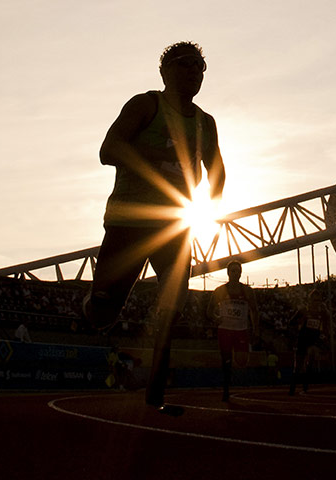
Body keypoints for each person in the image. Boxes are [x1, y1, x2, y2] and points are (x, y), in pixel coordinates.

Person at [84, 41, 226, 416]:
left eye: (200, 66)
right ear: (164, 71)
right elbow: (108, 149)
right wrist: (160, 161)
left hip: (174, 226)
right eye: (185, 64)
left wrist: (209, 211)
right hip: (129, 222)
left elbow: (218, 171)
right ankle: (92, 301)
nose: (194, 72)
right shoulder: (145, 105)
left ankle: (155, 393)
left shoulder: (205, 124)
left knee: (174, 300)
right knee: (103, 313)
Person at [207, 260, 259, 401]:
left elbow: (254, 311)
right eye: (233, 271)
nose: (235, 274)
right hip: (225, 329)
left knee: (242, 361)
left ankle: (230, 376)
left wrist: (256, 329)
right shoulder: (220, 291)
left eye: (238, 271)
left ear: (241, 273)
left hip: (241, 330)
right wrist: (216, 318)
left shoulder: (247, 291)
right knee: (226, 360)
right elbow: (209, 310)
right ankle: (226, 387)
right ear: (228, 273)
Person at [288, 289, 330, 395]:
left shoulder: (322, 313)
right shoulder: (303, 311)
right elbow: (291, 323)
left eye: (318, 300)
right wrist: (296, 332)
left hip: (314, 341)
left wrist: (324, 336)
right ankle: (292, 389)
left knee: (310, 362)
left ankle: (305, 387)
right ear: (310, 300)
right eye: (314, 300)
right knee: (298, 366)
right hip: (302, 340)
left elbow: (327, 323)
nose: (316, 303)